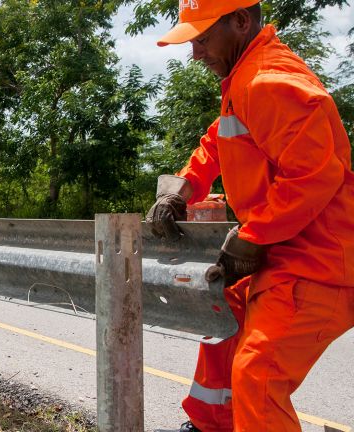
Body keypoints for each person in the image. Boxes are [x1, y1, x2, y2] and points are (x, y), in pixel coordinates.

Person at [148, 1, 354, 431]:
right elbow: (217, 141)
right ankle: (213, 425)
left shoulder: (269, 81)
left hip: (315, 265)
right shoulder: (244, 79)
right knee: (222, 326)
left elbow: (314, 175)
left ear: (240, 22)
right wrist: (184, 187)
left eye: (203, 39)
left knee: (258, 376)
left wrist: (254, 236)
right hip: (283, 255)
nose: (196, 53)